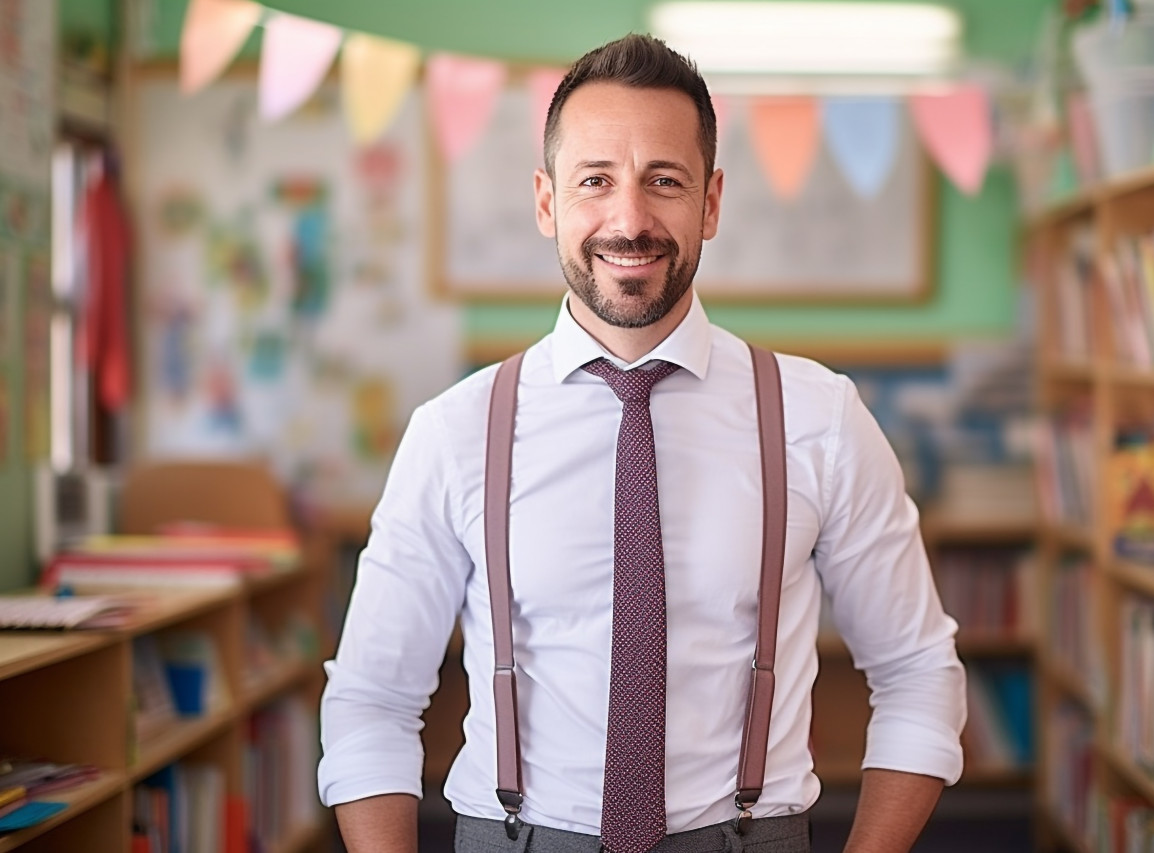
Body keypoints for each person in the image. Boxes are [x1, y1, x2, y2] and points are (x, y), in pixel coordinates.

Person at [319, 33, 966, 853]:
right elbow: (373, 696)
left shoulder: (820, 418)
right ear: (548, 202)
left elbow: (917, 673)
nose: (630, 219)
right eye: (596, 181)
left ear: (712, 203)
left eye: (664, 181)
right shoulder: (455, 431)